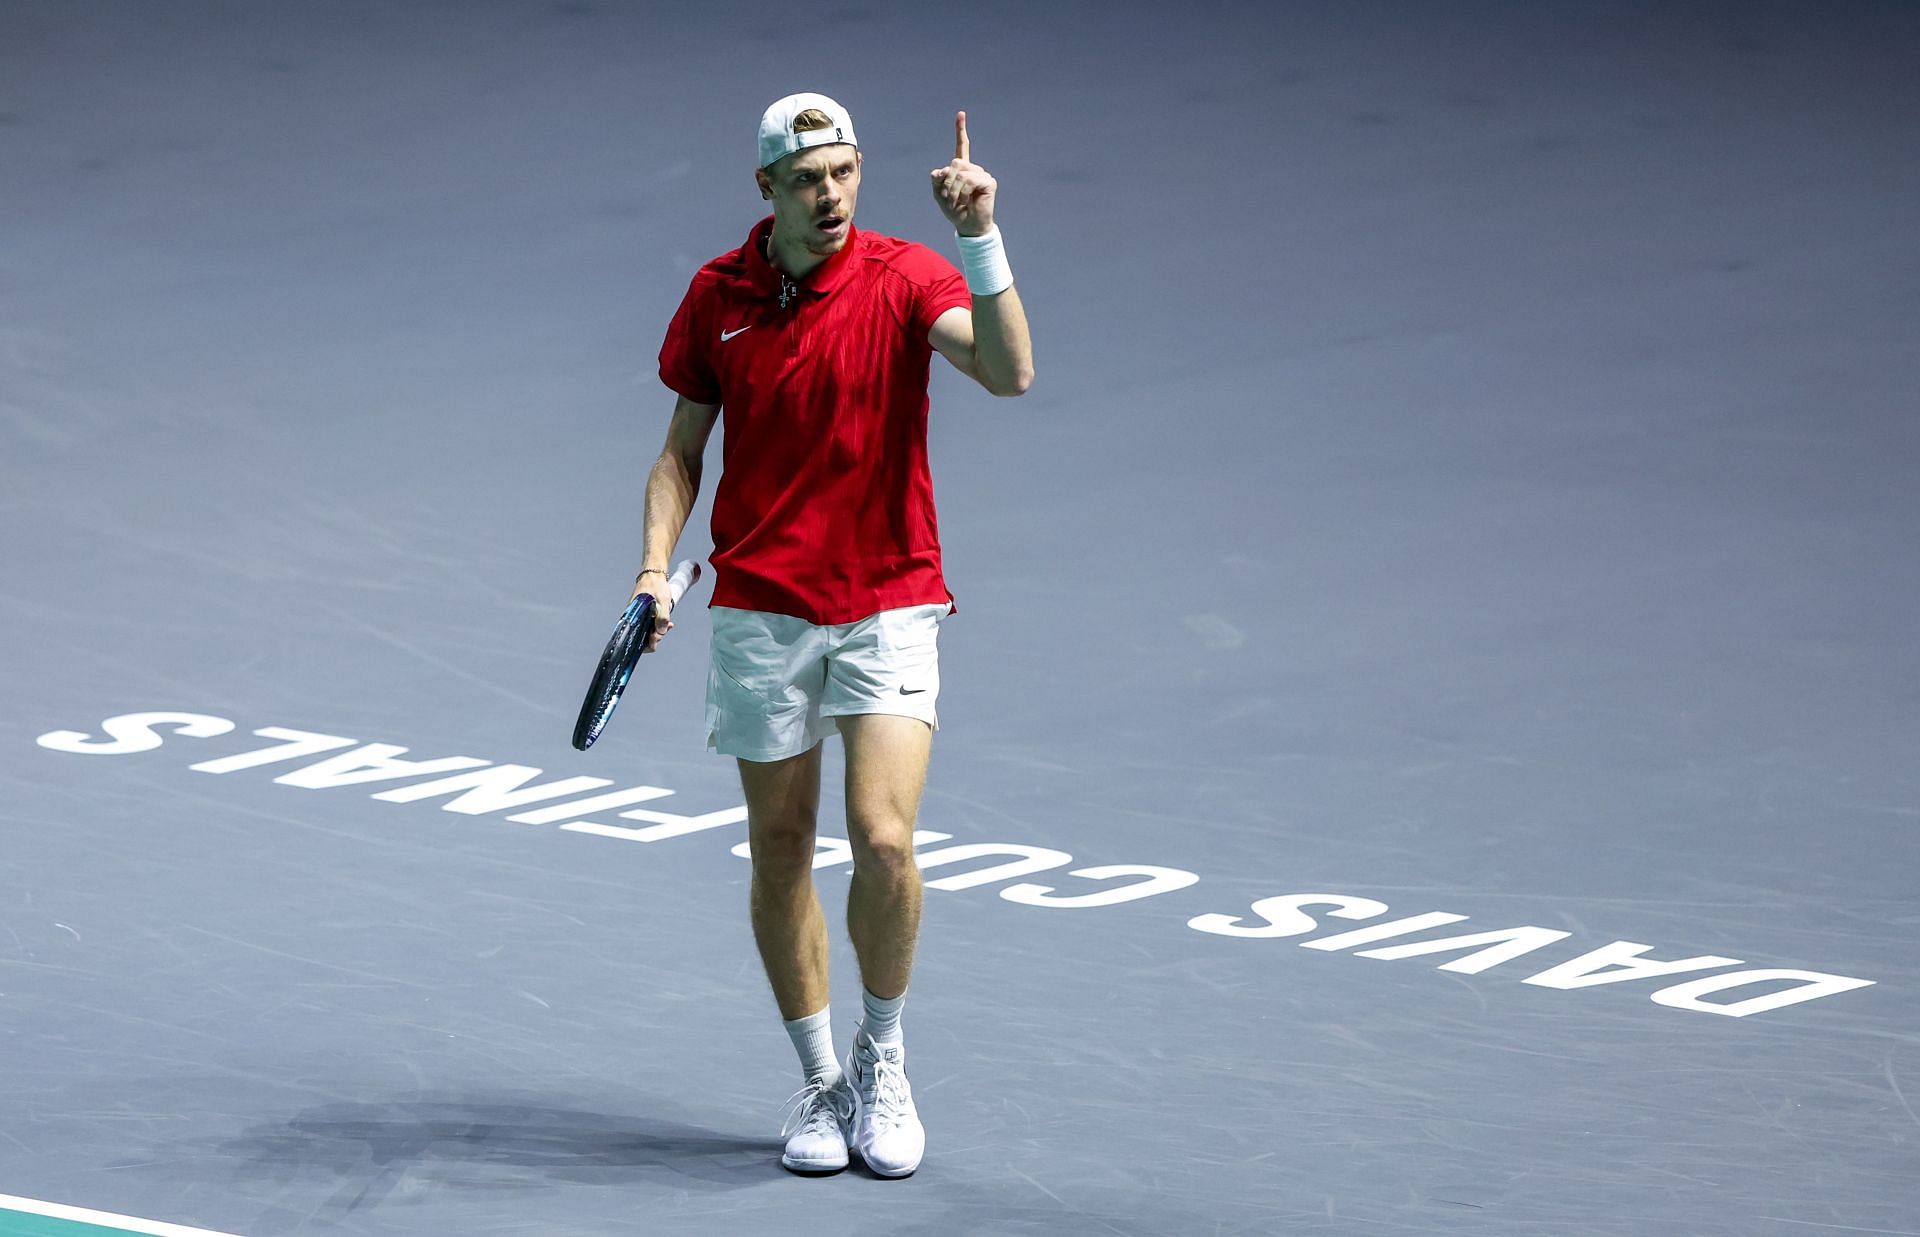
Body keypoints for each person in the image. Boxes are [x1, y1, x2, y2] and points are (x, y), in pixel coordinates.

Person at [630, 92, 1033, 1178]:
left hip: (890, 595)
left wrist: (980, 233)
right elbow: (680, 454)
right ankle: (820, 1078)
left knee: (886, 840)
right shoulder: (716, 296)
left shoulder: (908, 277)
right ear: (767, 189)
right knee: (779, 847)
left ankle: (883, 1056)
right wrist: (654, 572)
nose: (832, 195)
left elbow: (1008, 370)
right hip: (761, 604)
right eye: (809, 179)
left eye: (846, 172)